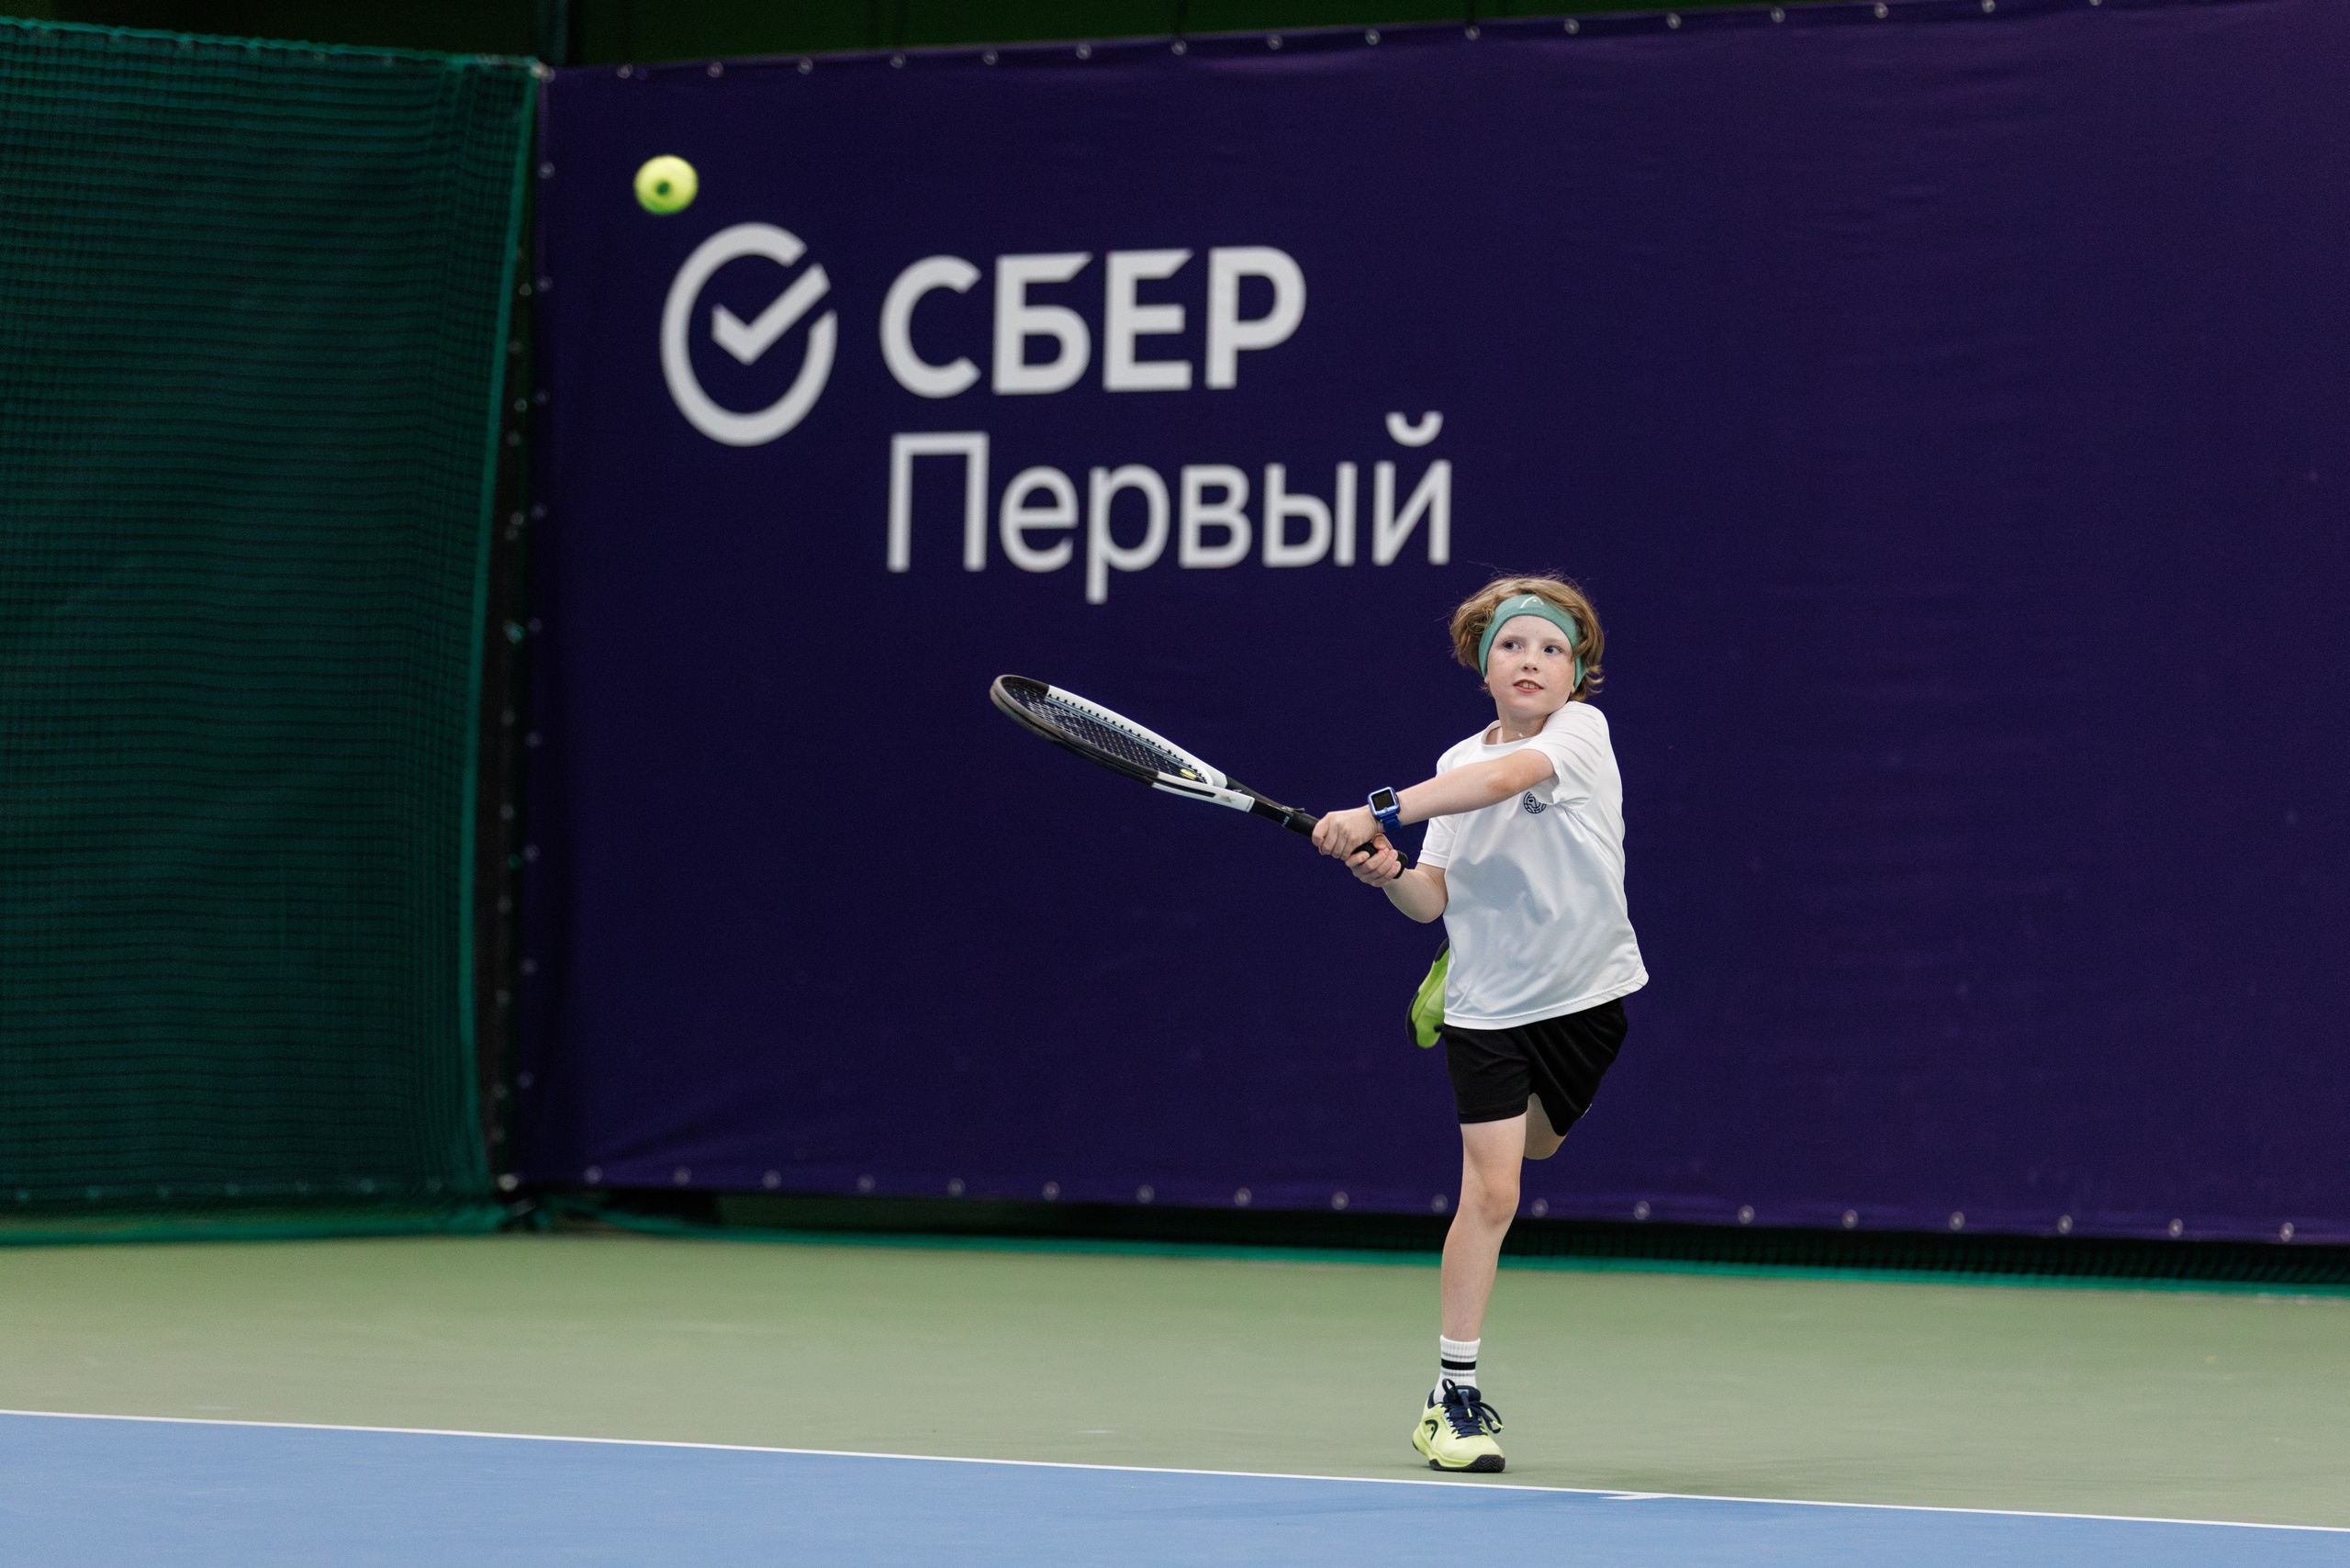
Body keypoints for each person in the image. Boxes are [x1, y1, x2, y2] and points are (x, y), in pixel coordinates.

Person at [1311, 576, 1647, 1473]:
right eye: (1511, 645)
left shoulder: (1580, 735)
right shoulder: (1454, 759)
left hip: (1585, 1001)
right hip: (1487, 1006)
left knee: (1540, 1150)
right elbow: (1432, 898)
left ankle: (1451, 1389)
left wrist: (1376, 812)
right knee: (1493, 1191)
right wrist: (1386, 872)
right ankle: (1450, 1395)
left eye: (1550, 648)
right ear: (1482, 663)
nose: (1530, 659)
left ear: (1578, 673)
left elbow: (1503, 779)